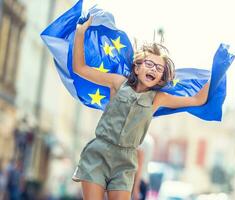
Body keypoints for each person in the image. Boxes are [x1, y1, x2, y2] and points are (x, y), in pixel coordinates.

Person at [71, 15, 210, 200]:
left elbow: (197, 100)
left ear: (161, 79)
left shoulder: (158, 99)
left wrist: (217, 73)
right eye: (149, 64)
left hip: (125, 162)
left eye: (158, 68)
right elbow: (80, 68)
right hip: (98, 153)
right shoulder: (118, 83)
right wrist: (80, 33)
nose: (153, 69)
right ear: (137, 68)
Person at [132, 134, 154, 200]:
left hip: (138, 181)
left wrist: (136, 187)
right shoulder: (150, 139)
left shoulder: (141, 139)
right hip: (144, 179)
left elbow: (139, 164)